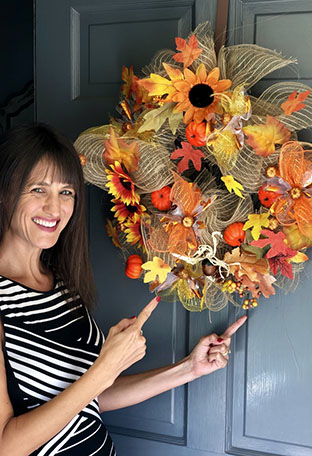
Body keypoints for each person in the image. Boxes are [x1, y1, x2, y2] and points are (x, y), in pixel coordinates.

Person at [0, 123, 247, 456]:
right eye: (38, 190)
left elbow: (89, 400)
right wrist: (105, 369)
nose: (54, 208)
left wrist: (189, 367)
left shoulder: (61, 284)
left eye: (66, 192)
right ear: (5, 191)